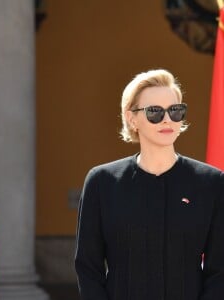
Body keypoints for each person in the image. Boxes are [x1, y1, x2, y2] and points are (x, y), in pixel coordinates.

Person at [75, 69, 224, 300]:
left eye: (175, 111)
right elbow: (88, 268)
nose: (167, 119)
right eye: (154, 111)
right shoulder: (101, 183)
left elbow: (220, 272)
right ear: (131, 118)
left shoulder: (211, 183)